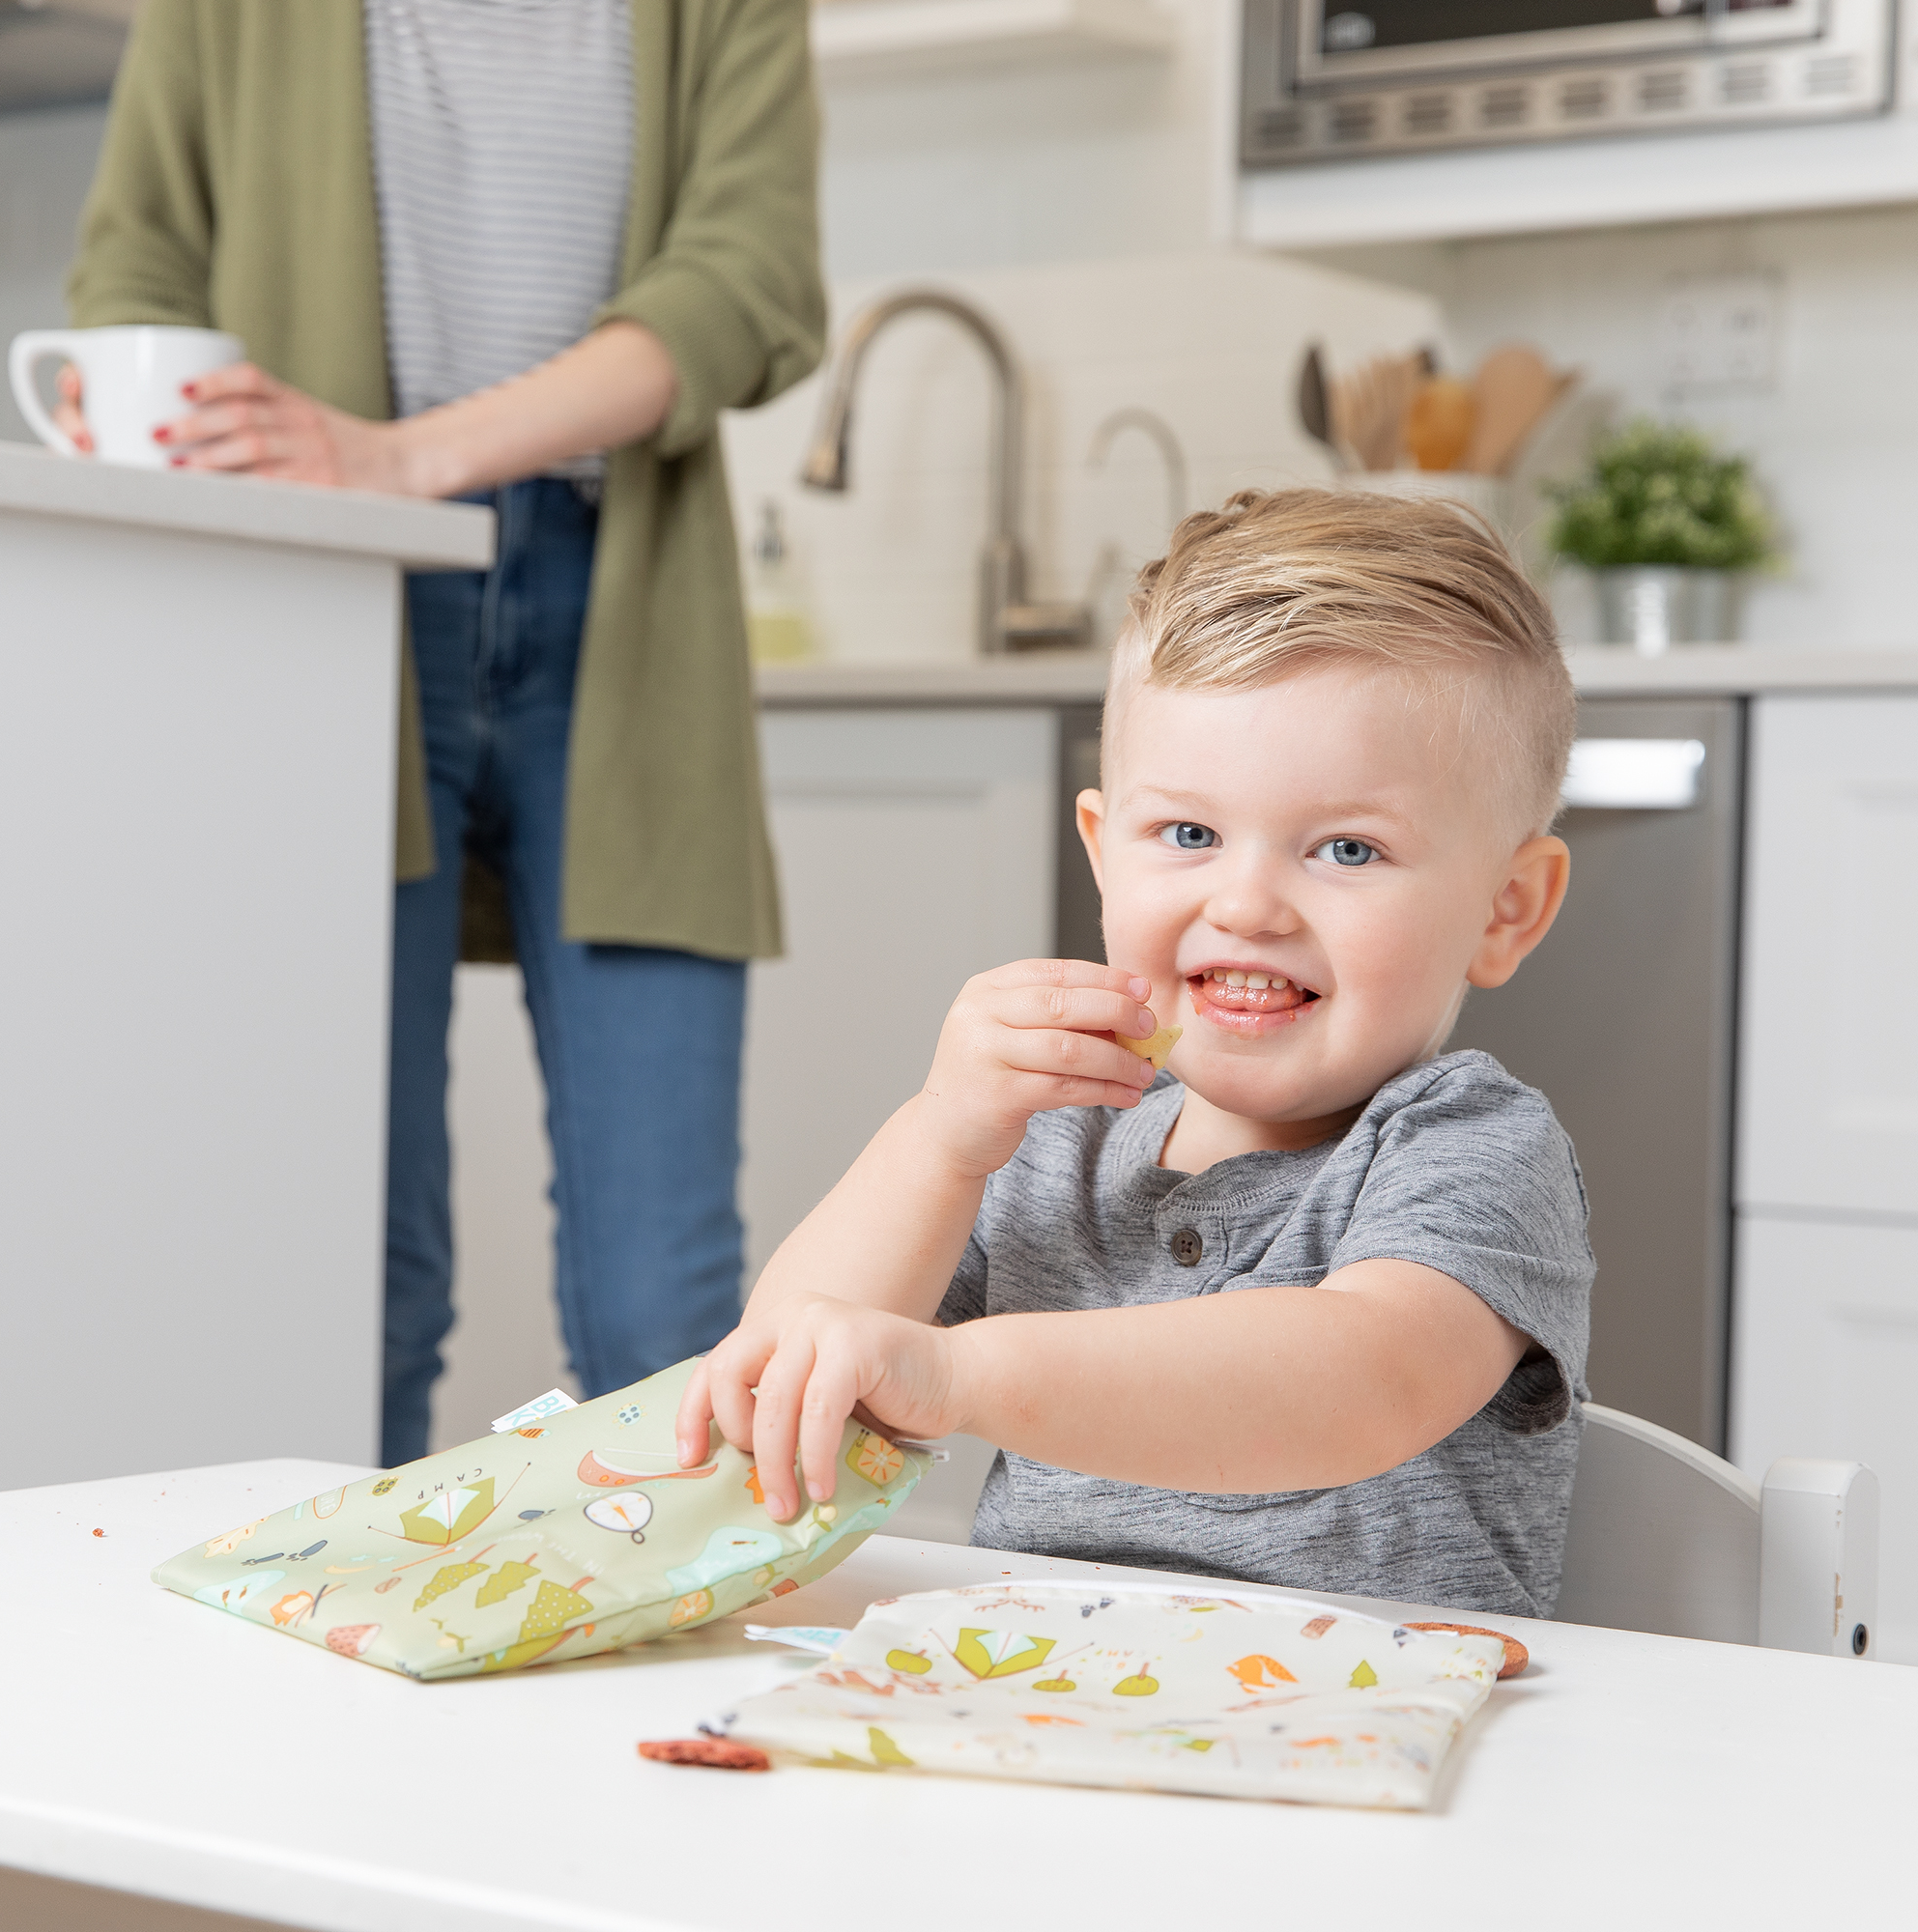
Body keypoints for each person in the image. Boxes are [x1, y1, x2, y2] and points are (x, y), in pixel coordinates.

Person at [64, 0, 825, 1464]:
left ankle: (658, 1659)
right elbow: (134, 263)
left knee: (660, 1299)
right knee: (354, 1269)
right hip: (328, 601)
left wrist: (403, 457)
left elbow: (750, 277)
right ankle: (327, 1651)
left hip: (625, 604)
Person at [678, 488, 1593, 1618]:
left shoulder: (1469, 1144)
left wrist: (961, 1375)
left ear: (1506, 908)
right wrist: (938, 1137)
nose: (1247, 901)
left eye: (1346, 848)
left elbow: (1362, 1378)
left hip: (1360, 1747)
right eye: (1190, 834)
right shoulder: (1058, 1138)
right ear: (1104, 854)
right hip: (1035, 1705)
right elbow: (785, 1372)